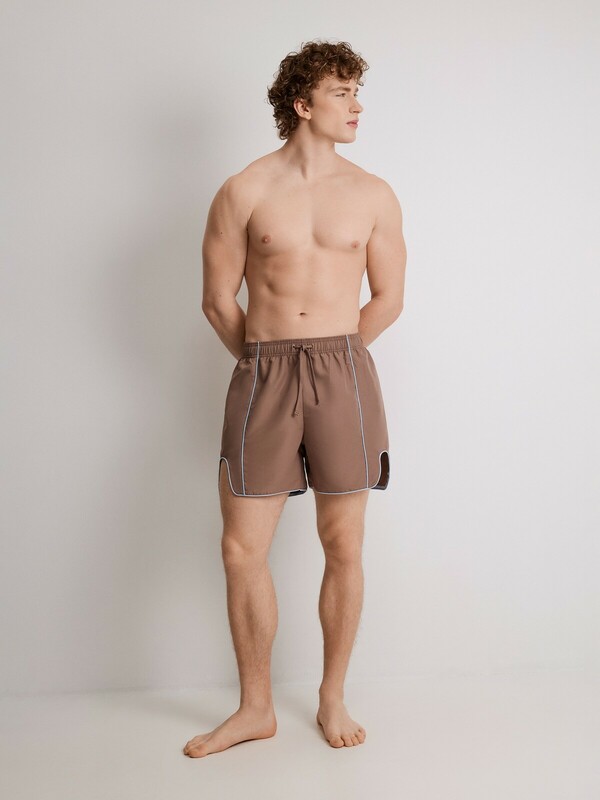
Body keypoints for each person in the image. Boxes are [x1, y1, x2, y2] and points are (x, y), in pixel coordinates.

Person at [184, 39, 407, 758]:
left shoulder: (373, 193)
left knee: (344, 542)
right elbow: (218, 301)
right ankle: (255, 707)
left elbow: (389, 296)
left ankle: (332, 696)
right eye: (343, 93)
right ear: (303, 104)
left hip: (344, 366)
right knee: (240, 549)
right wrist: (267, 362)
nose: (357, 106)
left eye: (357, 92)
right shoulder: (243, 190)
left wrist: (336, 358)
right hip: (264, 370)